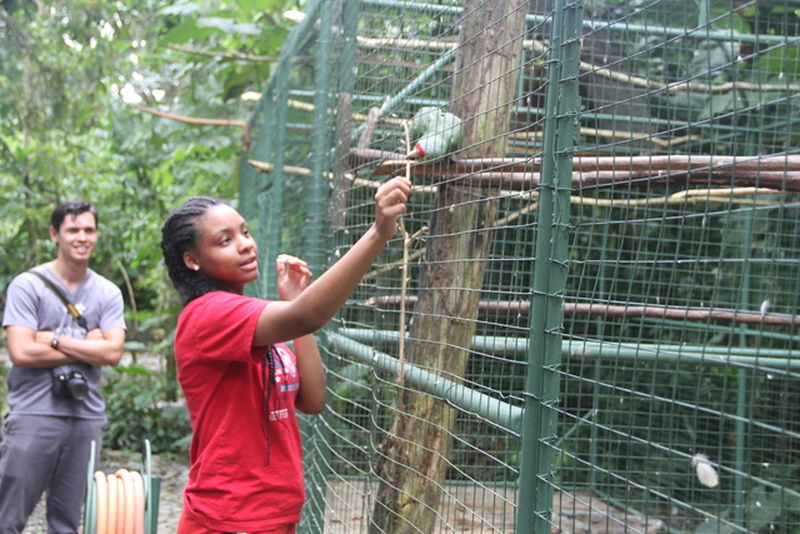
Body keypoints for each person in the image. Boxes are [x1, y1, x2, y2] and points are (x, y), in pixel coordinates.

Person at [160, 176, 411, 534]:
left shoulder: (251, 319)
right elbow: (307, 315)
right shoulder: (208, 315)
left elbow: (312, 399)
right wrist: (377, 233)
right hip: (229, 517)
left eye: (245, 232)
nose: (245, 245)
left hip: (272, 513)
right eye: (225, 241)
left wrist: (292, 304)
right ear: (192, 260)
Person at [0, 199, 126, 534]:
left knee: (68, 522)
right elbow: (22, 352)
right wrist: (90, 346)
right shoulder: (28, 285)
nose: (82, 237)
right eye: (73, 230)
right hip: (33, 415)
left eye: (89, 229)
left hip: (87, 417)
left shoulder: (107, 292)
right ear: (55, 234)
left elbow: (113, 353)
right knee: (8, 517)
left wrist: (52, 340)